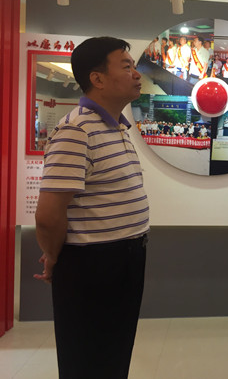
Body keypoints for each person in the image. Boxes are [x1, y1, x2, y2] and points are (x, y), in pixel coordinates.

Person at [34, 37, 150, 379]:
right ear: (97, 78)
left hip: (125, 258)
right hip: (92, 264)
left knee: (113, 354)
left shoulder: (117, 127)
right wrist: (53, 256)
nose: (137, 74)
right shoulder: (76, 129)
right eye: (126, 66)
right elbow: (48, 215)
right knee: (87, 359)